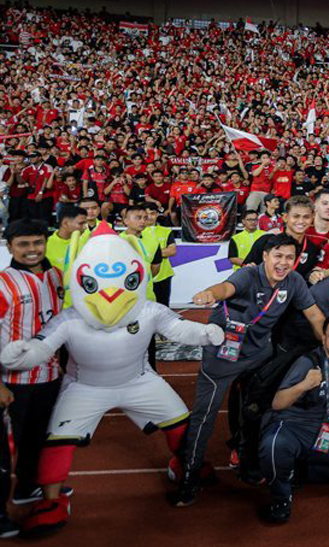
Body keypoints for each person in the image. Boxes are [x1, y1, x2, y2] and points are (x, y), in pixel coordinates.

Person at [1, 223, 224, 535]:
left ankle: (186, 464)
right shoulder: (70, 318)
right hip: (85, 387)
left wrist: (204, 333)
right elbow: (42, 346)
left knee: (179, 423)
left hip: (139, 381)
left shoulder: (147, 310)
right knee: (57, 442)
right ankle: (51, 500)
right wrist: (21, 356)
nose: (110, 294)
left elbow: (178, 328)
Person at [172, 234, 324, 506]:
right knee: (204, 417)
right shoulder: (248, 275)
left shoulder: (294, 281)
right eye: (278, 256)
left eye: (289, 257)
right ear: (265, 256)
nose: (283, 263)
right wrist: (209, 294)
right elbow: (225, 288)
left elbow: (314, 314)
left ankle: (248, 460)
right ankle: (190, 474)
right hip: (222, 358)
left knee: (259, 408)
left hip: (258, 356)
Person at [259, 316, 329, 524]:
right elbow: (278, 403)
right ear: (324, 338)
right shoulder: (307, 363)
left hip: (322, 430)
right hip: (291, 426)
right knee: (274, 445)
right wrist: (304, 385)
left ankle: (299, 471)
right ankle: (281, 499)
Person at [0, 221, 64, 534]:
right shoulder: (3, 283)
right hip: (12, 383)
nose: (32, 250)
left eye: (37, 242)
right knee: (3, 453)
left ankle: (27, 487)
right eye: (23, 244)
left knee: (37, 439)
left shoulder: (57, 276)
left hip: (48, 377)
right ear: (10, 246)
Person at [45, 205, 86, 275]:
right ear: (65, 223)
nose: (85, 227)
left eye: (85, 223)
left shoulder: (86, 243)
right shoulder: (46, 244)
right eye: (81, 223)